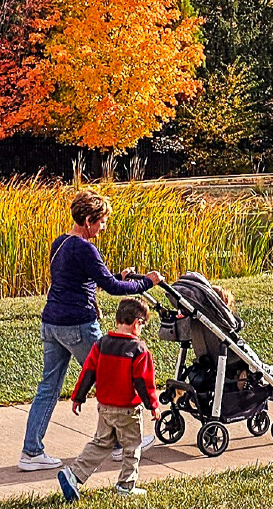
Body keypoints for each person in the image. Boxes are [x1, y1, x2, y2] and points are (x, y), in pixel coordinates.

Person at [21, 192, 164, 472]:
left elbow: (85, 281)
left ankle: (31, 451)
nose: (103, 228)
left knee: (48, 387)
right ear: (87, 220)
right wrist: (146, 283)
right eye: (101, 222)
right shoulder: (85, 248)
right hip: (77, 326)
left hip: (52, 324)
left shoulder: (61, 243)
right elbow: (111, 289)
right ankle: (120, 444)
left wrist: (120, 278)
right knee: (116, 375)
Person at [55, 296, 160, 502]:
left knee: (101, 443)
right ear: (137, 322)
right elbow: (143, 382)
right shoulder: (139, 350)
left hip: (104, 407)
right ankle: (126, 485)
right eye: (143, 325)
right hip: (128, 410)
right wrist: (153, 406)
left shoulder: (101, 344)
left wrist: (78, 397)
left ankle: (74, 475)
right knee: (132, 447)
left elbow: (88, 372)